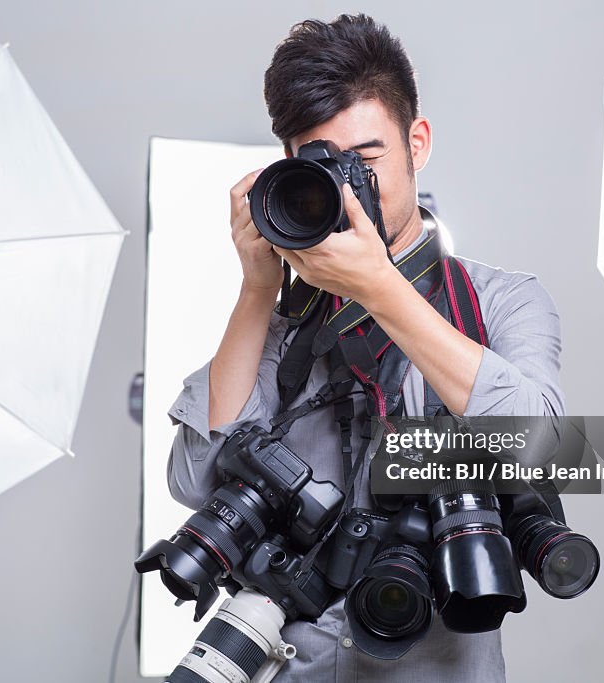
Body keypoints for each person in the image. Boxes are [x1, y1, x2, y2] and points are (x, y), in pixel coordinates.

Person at [165, 13, 564, 682]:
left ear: (418, 142)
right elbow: (193, 478)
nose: (350, 189)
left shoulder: (501, 301)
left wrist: (381, 288)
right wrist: (258, 288)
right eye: (325, 166)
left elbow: (542, 441)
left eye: (368, 160)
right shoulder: (285, 317)